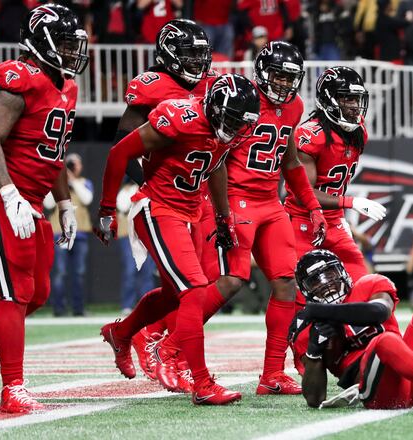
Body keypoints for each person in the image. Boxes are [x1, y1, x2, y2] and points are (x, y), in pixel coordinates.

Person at [152, 41, 327, 397]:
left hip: (270, 202)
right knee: (232, 280)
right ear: (263, 72)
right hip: (236, 198)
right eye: (278, 75)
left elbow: (290, 162)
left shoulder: (293, 106)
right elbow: (213, 154)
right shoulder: (241, 100)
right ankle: (169, 348)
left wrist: (313, 206)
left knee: (286, 283)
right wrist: (219, 211)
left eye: (290, 77)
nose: (283, 84)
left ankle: (272, 374)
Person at [96, 73, 261, 406]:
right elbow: (118, 154)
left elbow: (215, 166)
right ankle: (201, 383)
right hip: (156, 208)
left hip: (186, 213)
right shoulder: (180, 118)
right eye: (229, 119)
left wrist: (223, 216)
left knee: (175, 294)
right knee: (194, 291)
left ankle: (122, 332)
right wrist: (106, 210)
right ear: (214, 107)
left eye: (239, 122)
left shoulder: (223, 131)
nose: (234, 128)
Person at [0, 4, 88, 413]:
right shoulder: (18, 77)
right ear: (42, 41)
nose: (70, 52)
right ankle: (13, 388)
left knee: (39, 293)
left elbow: (54, 152)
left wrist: (63, 201)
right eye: (63, 43)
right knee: (16, 291)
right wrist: (9, 193)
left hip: (32, 201)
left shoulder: (66, 86)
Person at [107, 18, 216, 388]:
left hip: (196, 198)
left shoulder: (208, 86)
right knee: (190, 286)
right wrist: (150, 184)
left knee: (186, 287)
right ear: (169, 54)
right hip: (163, 199)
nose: (198, 63)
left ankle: (129, 333)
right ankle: (179, 361)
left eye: (202, 55)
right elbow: (123, 143)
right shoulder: (152, 86)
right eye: (190, 54)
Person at [290, 250, 413, 410]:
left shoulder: (368, 284)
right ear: (305, 290)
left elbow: (379, 311)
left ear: (342, 271)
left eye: (330, 274)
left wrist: (326, 313)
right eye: (315, 282)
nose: (326, 283)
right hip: (382, 394)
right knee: (384, 341)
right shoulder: (306, 326)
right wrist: (314, 349)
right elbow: (314, 398)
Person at [285, 67, 384, 283]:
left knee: (364, 286)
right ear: (328, 100)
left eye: (356, 99)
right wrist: (350, 202)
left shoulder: (359, 132)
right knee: (302, 293)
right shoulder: (311, 136)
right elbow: (304, 193)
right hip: (303, 223)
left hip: (335, 223)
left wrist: (341, 216)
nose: (354, 106)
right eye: (346, 99)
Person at [47, 153, 93, 317]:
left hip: (80, 233)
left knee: (79, 272)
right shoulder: (56, 183)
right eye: (71, 164)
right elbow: (47, 203)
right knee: (60, 272)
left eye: (77, 163)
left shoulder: (84, 182)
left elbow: (87, 199)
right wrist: (62, 182)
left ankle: (78, 309)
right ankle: (58, 308)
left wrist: (72, 180)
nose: (75, 166)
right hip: (60, 232)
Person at [116, 180, 157, 315]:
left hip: (145, 234)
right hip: (128, 235)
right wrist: (135, 189)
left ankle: (148, 303)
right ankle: (128, 304)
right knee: (130, 270)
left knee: (147, 271)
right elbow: (122, 206)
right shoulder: (125, 191)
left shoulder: (149, 190)